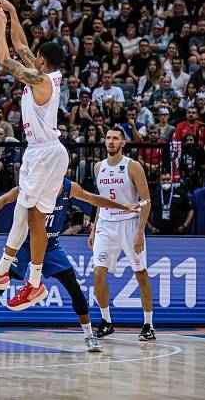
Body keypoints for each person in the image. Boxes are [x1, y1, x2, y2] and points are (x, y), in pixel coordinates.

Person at [0, 0, 68, 311]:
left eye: (34, 56)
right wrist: (11, 14)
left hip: (45, 153)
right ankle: (21, 278)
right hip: (45, 152)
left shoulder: (41, 81)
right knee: (30, 216)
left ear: (41, 61)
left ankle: (14, 276)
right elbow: (22, 45)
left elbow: (6, 60)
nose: (30, 54)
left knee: (29, 215)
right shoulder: (46, 73)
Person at [0, 177, 139, 352]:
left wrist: (124, 207)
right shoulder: (33, 185)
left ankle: (89, 336)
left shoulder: (67, 187)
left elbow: (94, 198)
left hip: (51, 246)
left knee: (74, 288)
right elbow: (3, 199)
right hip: (25, 244)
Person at [89, 127, 155, 341]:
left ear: (123, 143)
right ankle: (106, 321)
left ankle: (148, 324)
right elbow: (101, 201)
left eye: (115, 138)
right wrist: (94, 226)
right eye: (108, 138)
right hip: (106, 225)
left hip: (129, 224)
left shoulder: (132, 166)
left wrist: (140, 232)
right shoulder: (98, 167)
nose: (110, 141)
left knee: (140, 273)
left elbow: (146, 200)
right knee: (98, 273)